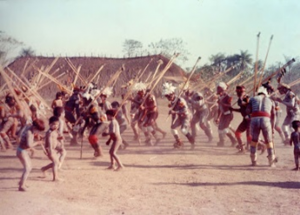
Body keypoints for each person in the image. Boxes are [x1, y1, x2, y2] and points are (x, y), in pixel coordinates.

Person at [246, 86, 276, 167]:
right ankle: (271, 162)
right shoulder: (270, 99)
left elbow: (247, 111)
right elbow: (274, 115)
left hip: (255, 119)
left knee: (254, 140)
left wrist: (249, 103)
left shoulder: (253, 98)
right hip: (266, 120)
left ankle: (253, 161)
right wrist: (273, 127)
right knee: (268, 141)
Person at [162, 82, 194, 149]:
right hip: (180, 117)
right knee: (173, 128)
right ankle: (179, 141)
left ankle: (192, 142)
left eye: (169, 96)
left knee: (183, 130)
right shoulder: (172, 102)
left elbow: (185, 110)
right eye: (167, 96)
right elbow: (173, 114)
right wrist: (172, 122)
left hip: (186, 116)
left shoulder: (180, 100)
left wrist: (174, 112)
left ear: (173, 94)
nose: (168, 98)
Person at [16, 118, 45, 191]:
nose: (38, 132)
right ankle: (21, 186)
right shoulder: (30, 132)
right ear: (35, 127)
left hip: (21, 150)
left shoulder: (29, 127)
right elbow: (29, 145)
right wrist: (38, 143)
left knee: (28, 167)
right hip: (22, 151)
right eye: (38, 130)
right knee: (27, 168)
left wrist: (36, 135)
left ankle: (21, 182)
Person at [41, 116, 64, 181]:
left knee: (55, 162)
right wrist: (50, 150)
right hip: (49, 149)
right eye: (53, 124)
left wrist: (59, 138)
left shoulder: (55, 131)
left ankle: (44, 168)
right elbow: (50, 142)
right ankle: (55, 177)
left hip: (53, 149)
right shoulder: (50, 133)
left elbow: (55, 139)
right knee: (55, 162)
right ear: (50, 124)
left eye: (57, 124)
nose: (55, 126)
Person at [215, 82, 237, 147]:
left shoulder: (228, 97)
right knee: (219, 129)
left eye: (219, 89)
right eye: (218, 88)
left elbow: (229, 106)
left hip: (228, 115)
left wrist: (221, 103)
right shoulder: (220, 97)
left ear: (223, 89)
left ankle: (233, 140)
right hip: (223, 115)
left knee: (224, 129)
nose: (218, 90)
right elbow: (219, 109)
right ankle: (221, 142)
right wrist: (218, 117)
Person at [230, 86, 251, 152]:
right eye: (238, 92)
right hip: (245, 119)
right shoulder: (242, 98)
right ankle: (242, 148)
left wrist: (241, 95)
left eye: (240, 92)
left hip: (250, 119)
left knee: (249, 135)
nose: (237, 93)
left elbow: (242, 103)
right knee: (237, 133)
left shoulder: (247, 98)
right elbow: (242, 110)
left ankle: (261, 145)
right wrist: (233, 109)